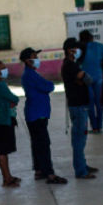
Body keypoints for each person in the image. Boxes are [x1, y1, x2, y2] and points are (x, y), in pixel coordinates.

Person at [20, 48, 68, 184]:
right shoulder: (31, 75)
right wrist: (50, 84)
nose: (37, 59)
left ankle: (39, 170)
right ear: (27, 61)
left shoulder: (30, 74)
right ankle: (50, 174)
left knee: (37, 143)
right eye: (34, 57)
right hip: (37, 113)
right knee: (43, 144)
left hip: (35, 113)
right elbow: (48, 87)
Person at [61, 37, 98, 180]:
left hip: (80, 105)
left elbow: (85, 80)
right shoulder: (70, 66)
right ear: (70, 51)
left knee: (81, 139)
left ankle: (82, 165)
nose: (79, 51)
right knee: (78, 140)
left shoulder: (73, 65)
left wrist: (82, 79)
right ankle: (80, 170)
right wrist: (82, 79)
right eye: (76, 48)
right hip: (77, 106)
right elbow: (89, 80)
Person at [79, 29, 103, 134]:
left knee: (90, 103)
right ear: (92, 37)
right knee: (99, 101)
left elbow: (77, 64)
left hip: (85, 78)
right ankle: (100, 125)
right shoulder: (100, 46)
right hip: (98, 76)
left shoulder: (81, 48)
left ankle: (94, 126)